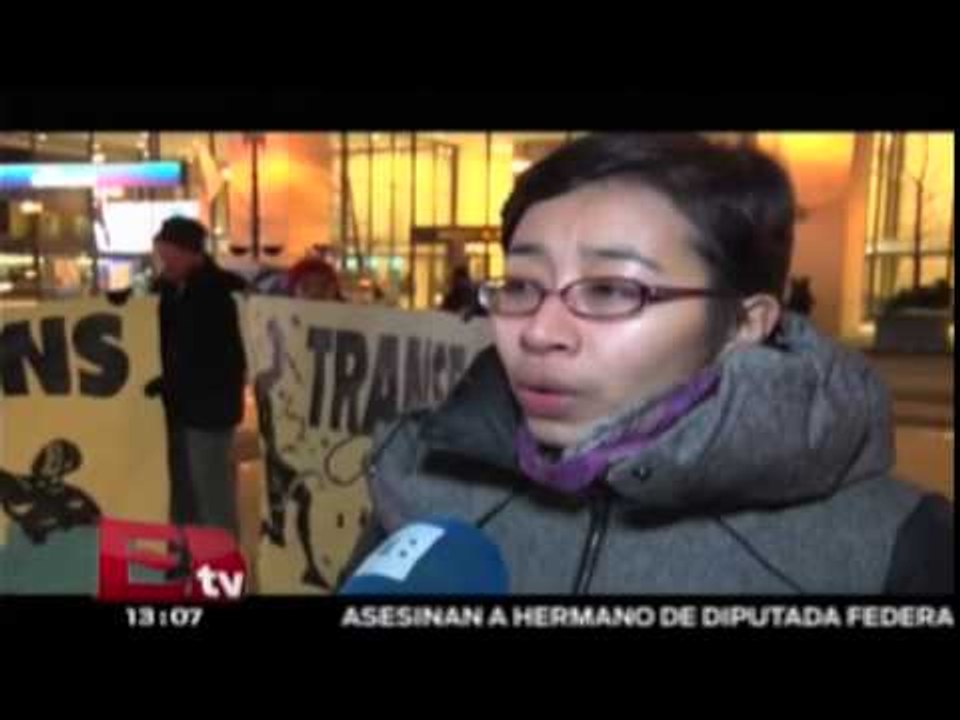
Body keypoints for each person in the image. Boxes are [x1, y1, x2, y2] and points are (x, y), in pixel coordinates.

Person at [342, 133, 953, 594]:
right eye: (523, 284)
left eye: (610, 290)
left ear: (745, 323)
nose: (540, 332)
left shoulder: (893, 547)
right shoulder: (422, 485)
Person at [150, 216, 248, 538]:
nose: (164, 261)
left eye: (170, 254)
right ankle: (183, 563)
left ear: (191, 252)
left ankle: (220, 571)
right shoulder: (167, 291)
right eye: (161, 253)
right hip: (175, 410)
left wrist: (174, 380)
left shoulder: (220, 293)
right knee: (180, 494)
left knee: (212, 496)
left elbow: (221, 358)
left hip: (208, 414)